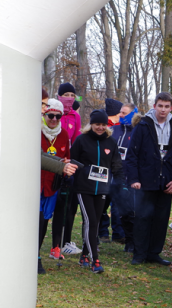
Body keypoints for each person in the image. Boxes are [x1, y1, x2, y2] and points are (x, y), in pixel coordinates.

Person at [125, 92, 172, 266]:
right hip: (144, 180)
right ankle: (139, 253)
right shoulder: (143, 126)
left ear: (171, 108)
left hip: (166, 181)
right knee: (143, 217)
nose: (163, 110)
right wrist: (134, 178)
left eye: (167, 106)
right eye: (160, 106)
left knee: (161, 219)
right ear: (154, 106)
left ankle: (153, 253)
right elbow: (132, 155)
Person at [70, 110, 125, 274]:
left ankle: (84, 255)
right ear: (91, 124)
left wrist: (120, 184)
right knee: (91, 221)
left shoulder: (111, 142)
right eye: (97, 124)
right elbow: (72, 161)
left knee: (95, 222)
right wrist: (84, 171)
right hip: (84, 187)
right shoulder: (81, 140)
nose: (100, 127)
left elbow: (117, 165)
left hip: (102, 188)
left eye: (103, 124)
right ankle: (95, 260)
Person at [39, 99, 77, 274]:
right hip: (35, 184)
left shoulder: (63, 135)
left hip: (52, 186)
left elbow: (66, 157)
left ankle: (36, 255)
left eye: (57, 116)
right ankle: (32, 256)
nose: (53, 119)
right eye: (50, 115)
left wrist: (67, 167)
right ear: (45, 115)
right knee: (34, 220)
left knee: (44, 220)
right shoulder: (35, 131)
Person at [51, 82, 83, 256]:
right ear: (59, 96)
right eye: (66, 95)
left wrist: (74, 162)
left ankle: (66, 241)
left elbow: (76, 139)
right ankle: (53, 243)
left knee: (69, 205)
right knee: (51, 206)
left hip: (68, 164)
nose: (70, 98)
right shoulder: (52, 114)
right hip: (50, 162)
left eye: (73, 95)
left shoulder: (75, 117)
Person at [99, 98, 126, 243]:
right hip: (105, 170)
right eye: (120, 112)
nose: (122, 115)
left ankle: (112, 232)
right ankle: (107, 232)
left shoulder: (119, 127)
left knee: (111, 202)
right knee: (105, 202)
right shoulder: (108, 128)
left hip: (114, 170)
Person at [112, 104, 137, 253]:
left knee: (125, 209)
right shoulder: (114, 130)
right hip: (110, 174)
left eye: (124, 113)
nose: (120, 115)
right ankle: (101, 235)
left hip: (128, 176)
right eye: (120, 112)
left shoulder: (137, 132)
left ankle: (126, 238)